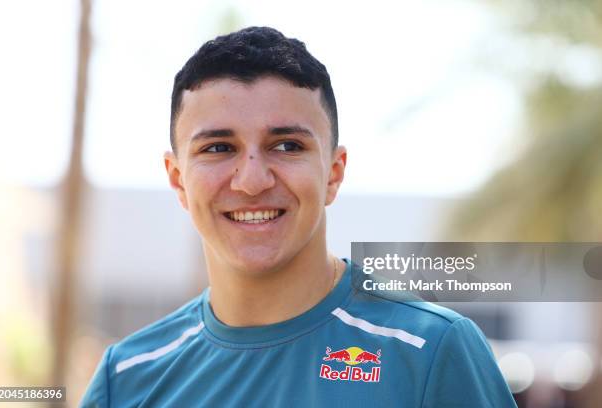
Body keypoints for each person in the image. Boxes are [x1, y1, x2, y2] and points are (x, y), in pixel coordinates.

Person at [81, 26, 517, 407]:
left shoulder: (429, 352)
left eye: (287, 145)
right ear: (178, 179)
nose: (251, 181)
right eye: (218, 148)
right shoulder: (126, 379)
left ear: (334, 172)